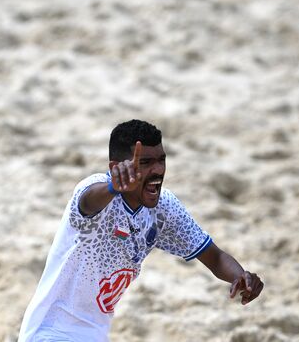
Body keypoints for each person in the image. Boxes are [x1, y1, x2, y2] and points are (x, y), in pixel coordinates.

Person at [18, 119, 263, 342]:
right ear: (116, 167)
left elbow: (215, 257)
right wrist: (113, 187)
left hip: (94, 334)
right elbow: (88, 202)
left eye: (161, 160)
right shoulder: (96, 191)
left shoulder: (164, 207)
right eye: (145, 163)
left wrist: (241, 276)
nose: (158, 170)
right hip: (49, 331)